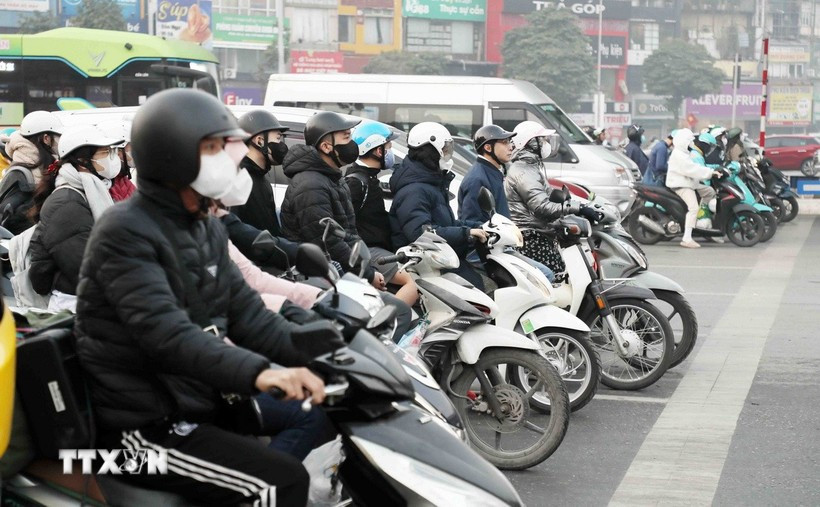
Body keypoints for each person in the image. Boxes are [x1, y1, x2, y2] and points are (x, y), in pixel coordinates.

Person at [75, 89, 340, 506]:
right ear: (171, 155)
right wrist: (261, 373)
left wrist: (322, 347)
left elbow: (247, 315)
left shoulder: (204, 227)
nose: (227, 158)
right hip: (140, 429)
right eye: (212, 147)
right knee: (278, 481)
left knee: (321, 416)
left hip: (195, 400)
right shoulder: (124, 230)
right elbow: (167, 334)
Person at [280, 111, 385, 289]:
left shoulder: (333, 178)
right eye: (346, 138)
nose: (352, 145)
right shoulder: (311, 185)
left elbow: (349, 232)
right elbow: (328, 243)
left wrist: (367, 267)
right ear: (327, 147)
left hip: (339, 271)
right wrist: (367, 275)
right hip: (320, 278)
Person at [28, 125, 124, 311]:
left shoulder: (93, 191)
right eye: (105, 153)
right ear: (82, 160)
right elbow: (83, 267)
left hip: (92, 299)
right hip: (75, 304)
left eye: (113, 152)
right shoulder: (66, 204)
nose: (113, 159)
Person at [389, 122, 487, 289]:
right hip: (424, 265)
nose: (448, 154)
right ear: (430, 151)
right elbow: (420, 232)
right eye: (445, 149)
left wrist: (478, 227)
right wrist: (467, 233)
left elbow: (445, 223)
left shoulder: (431, 181)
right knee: (475, 289)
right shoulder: (415, 189)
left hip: (441, 259)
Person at [505, 121, 593, 279]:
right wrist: (575, 208)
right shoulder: (524, 172)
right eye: (543, 140)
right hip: (532, 239)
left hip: (539, 233)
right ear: (531, 143)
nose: (546, 144)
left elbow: (545, 193)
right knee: (555, 280)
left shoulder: (530, 167)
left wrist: (567, 200)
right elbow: (541, 207)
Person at [345, 121, 418, 307]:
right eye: (388, 147)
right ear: (378, 151)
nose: (390, 151)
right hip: (368, 251)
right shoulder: (356, 182)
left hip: (377, 249)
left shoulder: (369, 178)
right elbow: (346, 226)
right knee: (413, 283)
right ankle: (385, 323)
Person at [0, 111, 64, 234]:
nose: (59, 142)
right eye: (57, 137)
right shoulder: (20, 173)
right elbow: (8, 216)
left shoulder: (49, 165)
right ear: (46, 138)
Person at [232, 110, 290, 236]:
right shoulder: (239, 180)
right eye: (278, 138)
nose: (282, 145)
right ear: (259, 141)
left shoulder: (262, 179)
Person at [665, 129, 721, 248]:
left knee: (709, 191)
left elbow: (697, 166)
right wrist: (711, 173)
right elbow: (692, 169)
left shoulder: (685, 153)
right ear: (684, 141)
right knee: (693, 208)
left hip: (689, 182)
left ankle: (702, 216)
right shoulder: (679, 155)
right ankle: (687, 238)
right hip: (681, 184)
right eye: (690, 141)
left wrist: (714, 170)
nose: (692, 143)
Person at [457, 124, 515, 224]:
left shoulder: (493, 171)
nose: (510, 147)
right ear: (488, 148)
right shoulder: (477, 179)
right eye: (504, 142)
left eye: (509, 142)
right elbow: (471, 222)